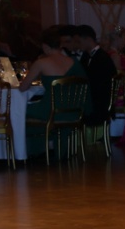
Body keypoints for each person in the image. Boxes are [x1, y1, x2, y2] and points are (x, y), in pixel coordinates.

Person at [19, 27, 86, 161]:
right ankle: (51, 148)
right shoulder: (73, 61)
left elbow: (23, 87)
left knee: (20, 111)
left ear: (45, 46)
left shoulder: (41, 63)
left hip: (51, 110)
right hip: (73, 110)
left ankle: (32, 152)